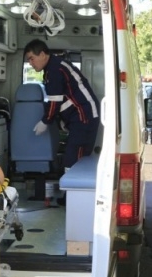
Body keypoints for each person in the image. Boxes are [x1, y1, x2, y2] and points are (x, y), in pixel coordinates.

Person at [23, 40, 100, 204]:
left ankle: (74, 199)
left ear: (43, 54)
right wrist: (63, 121)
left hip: (83, 116)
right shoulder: (54, 67)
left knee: (74, 158)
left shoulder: (55, 69)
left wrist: (46, 121)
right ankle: (72, 197)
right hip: (80, 116)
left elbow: (54, 102)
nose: (30, 63)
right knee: (75, 157)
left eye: (31, 58)